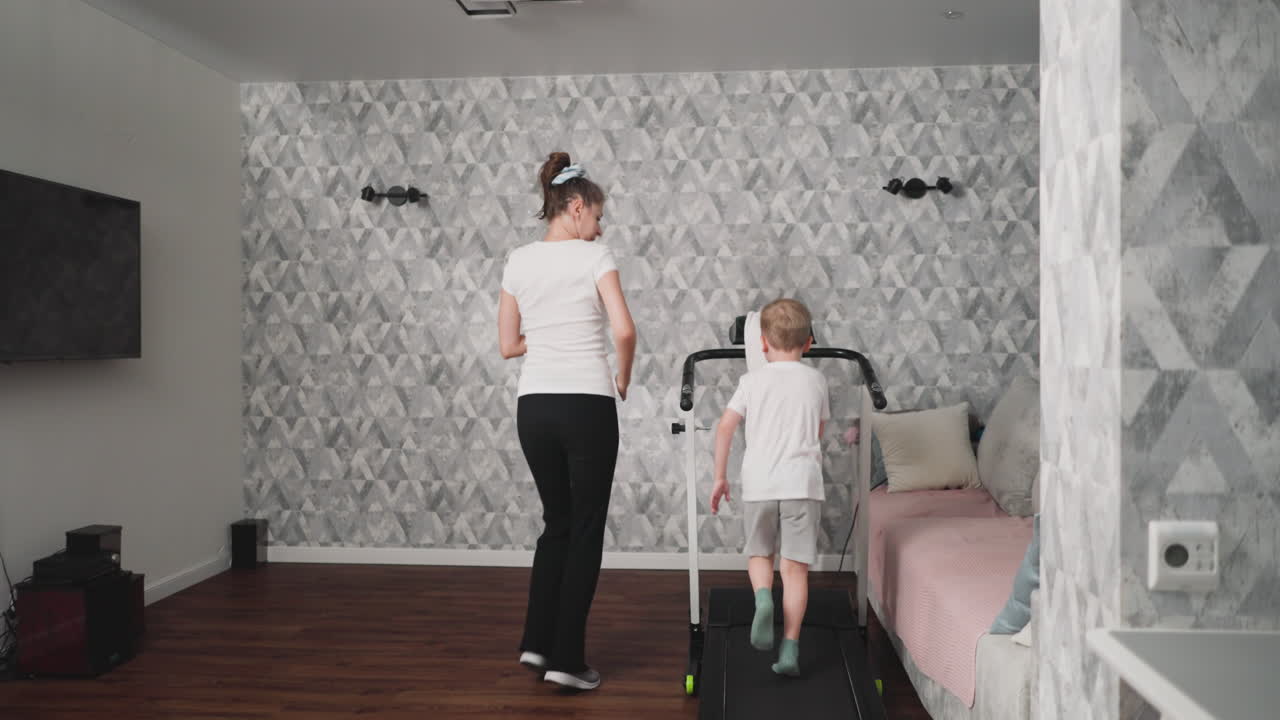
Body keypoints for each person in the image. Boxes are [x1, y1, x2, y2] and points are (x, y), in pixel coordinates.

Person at [497, 151, 637, 691]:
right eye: (597, 216)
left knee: (556, 522)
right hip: (585, 403)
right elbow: (624, 332)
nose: (600, 227)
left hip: (534, 407)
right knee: (584, 528)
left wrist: (549, 334)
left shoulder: (517, 259)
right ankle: (568, 659)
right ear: (575, 207)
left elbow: (509, 345)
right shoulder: (594, 257)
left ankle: (537, 643)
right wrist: (622, 377)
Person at [710, 298, 829, 677]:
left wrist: (720, 476)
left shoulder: (751, 381)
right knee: (795, 570)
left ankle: (763, 599)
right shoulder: (817, 381)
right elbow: (819, 432)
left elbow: (725, 427)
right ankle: (790, 647)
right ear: (809, 342)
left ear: (762, 343)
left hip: (760, 483)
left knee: (760, 554)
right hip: (802, 484)